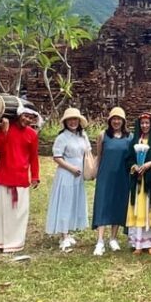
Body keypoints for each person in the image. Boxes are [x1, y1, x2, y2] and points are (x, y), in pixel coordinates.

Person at [0, 107, 40, 253]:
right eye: (25, 116)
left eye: (31, 118)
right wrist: (3, 131)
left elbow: (34, 157)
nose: (27, 120)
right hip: (3, 176)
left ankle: (14, 243)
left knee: (18, 214)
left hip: (21, 178)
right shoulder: (6, 128)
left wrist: (35, 176)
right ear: (19, 115)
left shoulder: (32, 134)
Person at [46, 107, 90, 252]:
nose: (73, 122)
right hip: (66, 173)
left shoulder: (82, 136)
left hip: (79, 174)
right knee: (65, 202)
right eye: (70, 120)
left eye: (75, 119)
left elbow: (88, 153)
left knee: (74, 202)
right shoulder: (62, 137)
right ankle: (63, 235)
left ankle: (69, 231)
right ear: (66, 122)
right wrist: (71, 168)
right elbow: (57, 157)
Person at [92, 107, 133, 255]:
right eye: (114, 119)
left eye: (119, 119)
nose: (116, 121)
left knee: (118, 204)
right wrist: (95, 172)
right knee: (103, 204)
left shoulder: (130, 137)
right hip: (105, 175)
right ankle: (100, 240)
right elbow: (99, 156)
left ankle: (113, 238)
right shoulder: (103, 135)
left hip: (122, 176)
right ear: (110, 120)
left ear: (123, 121)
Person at [126, 112, 151, 255]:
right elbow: (128, 159)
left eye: (147, 123)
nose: (145, 125)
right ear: (139, 125)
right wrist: (134, 166)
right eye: (142, 123)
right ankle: (138, 243)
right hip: (138, 182)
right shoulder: (135, 141)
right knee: (138, 209)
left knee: (150, 209)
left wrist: (150, 164)